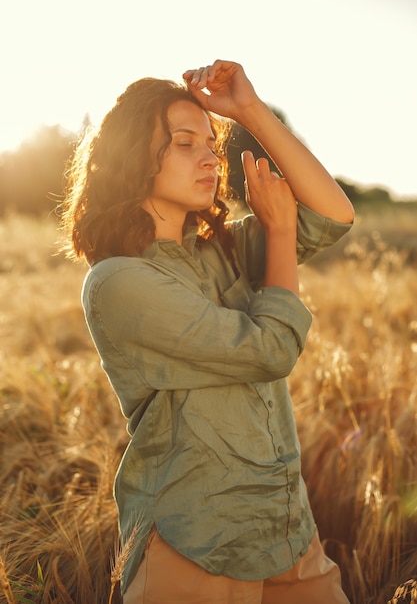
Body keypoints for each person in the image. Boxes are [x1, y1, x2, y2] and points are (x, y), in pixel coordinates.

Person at [61, 59, 354, 603]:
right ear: (133, 157)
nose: (210, 157)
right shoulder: (120, 281)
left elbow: (334, 214)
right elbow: (271, 350)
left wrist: (249, 111)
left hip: (286, 529)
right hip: (193, 540)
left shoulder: (221, 251)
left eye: (212, 143)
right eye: (183, 142)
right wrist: (281, 229)